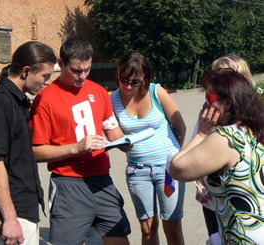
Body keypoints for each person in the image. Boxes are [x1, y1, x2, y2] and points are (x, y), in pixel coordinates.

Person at [30, 37, 131, 245]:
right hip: (69, 185)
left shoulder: (99, 92)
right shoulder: (45, 99)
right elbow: (36, 152)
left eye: (87, 69)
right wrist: (77, 147)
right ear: (61, 63)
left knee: (120, 238)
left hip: (102, 180)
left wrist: (125, 142)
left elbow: (112, 130)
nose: (82, 76)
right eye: (76, 70)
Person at [0, 41, 57, 245]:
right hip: (14, 213)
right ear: (26, 71)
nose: (48, 82)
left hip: (23, 208)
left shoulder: (18, 101)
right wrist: (10, 219)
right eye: (45, 76)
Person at [170, 68, 264, 244]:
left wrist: (202, 134)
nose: (205, 106)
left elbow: (176, 168)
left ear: (228, 103)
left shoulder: (227, 138)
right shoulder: (255, 129)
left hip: (244, 238)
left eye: (209, 99)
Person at [111, 52, 186, 245]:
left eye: (134, 82)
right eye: (123, 79)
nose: (127, 86)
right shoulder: (113, 100)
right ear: (118, 73)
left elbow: (180, 127)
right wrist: (122, 145)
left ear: (145, 77)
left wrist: (174, 158)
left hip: (168, 170)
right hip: (137, 171)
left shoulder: (156, 92)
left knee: (172, 228)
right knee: (147, 229)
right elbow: (115, 135)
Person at [193, 55, 255, 244]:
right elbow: (193, 154)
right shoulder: (208, 114)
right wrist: (200, 185)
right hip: (213, 203)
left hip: (243, 206)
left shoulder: (254, 117)